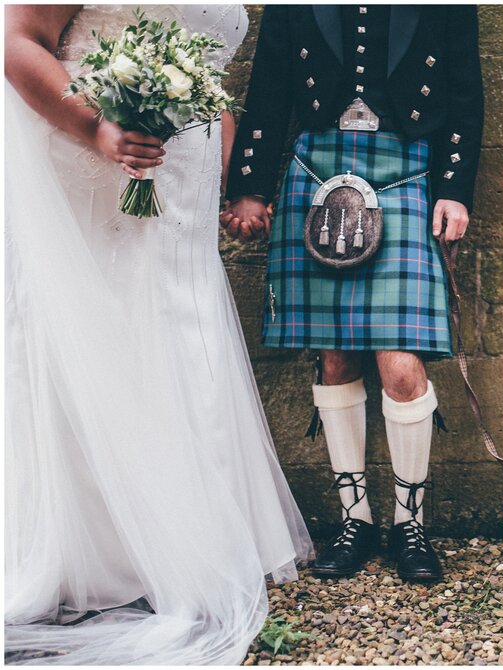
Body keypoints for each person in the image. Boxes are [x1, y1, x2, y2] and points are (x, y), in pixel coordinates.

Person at [4, 5, 312, 664]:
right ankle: (101, 558)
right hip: (100, 167)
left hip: (186, 184)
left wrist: (241, 182)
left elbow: (207, 82)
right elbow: (17, 42)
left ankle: (184, 545)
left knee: (181, 335)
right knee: (109, 347)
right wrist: (97, 129)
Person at [222, 5, 483, 582]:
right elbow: (268, 89)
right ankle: (355, 520)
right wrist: (250, 187)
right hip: (317, 169)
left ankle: (409, 524)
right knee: (334, 356)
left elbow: (466, 94)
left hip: (408, 171)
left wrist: (456, 188)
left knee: (401, 366)